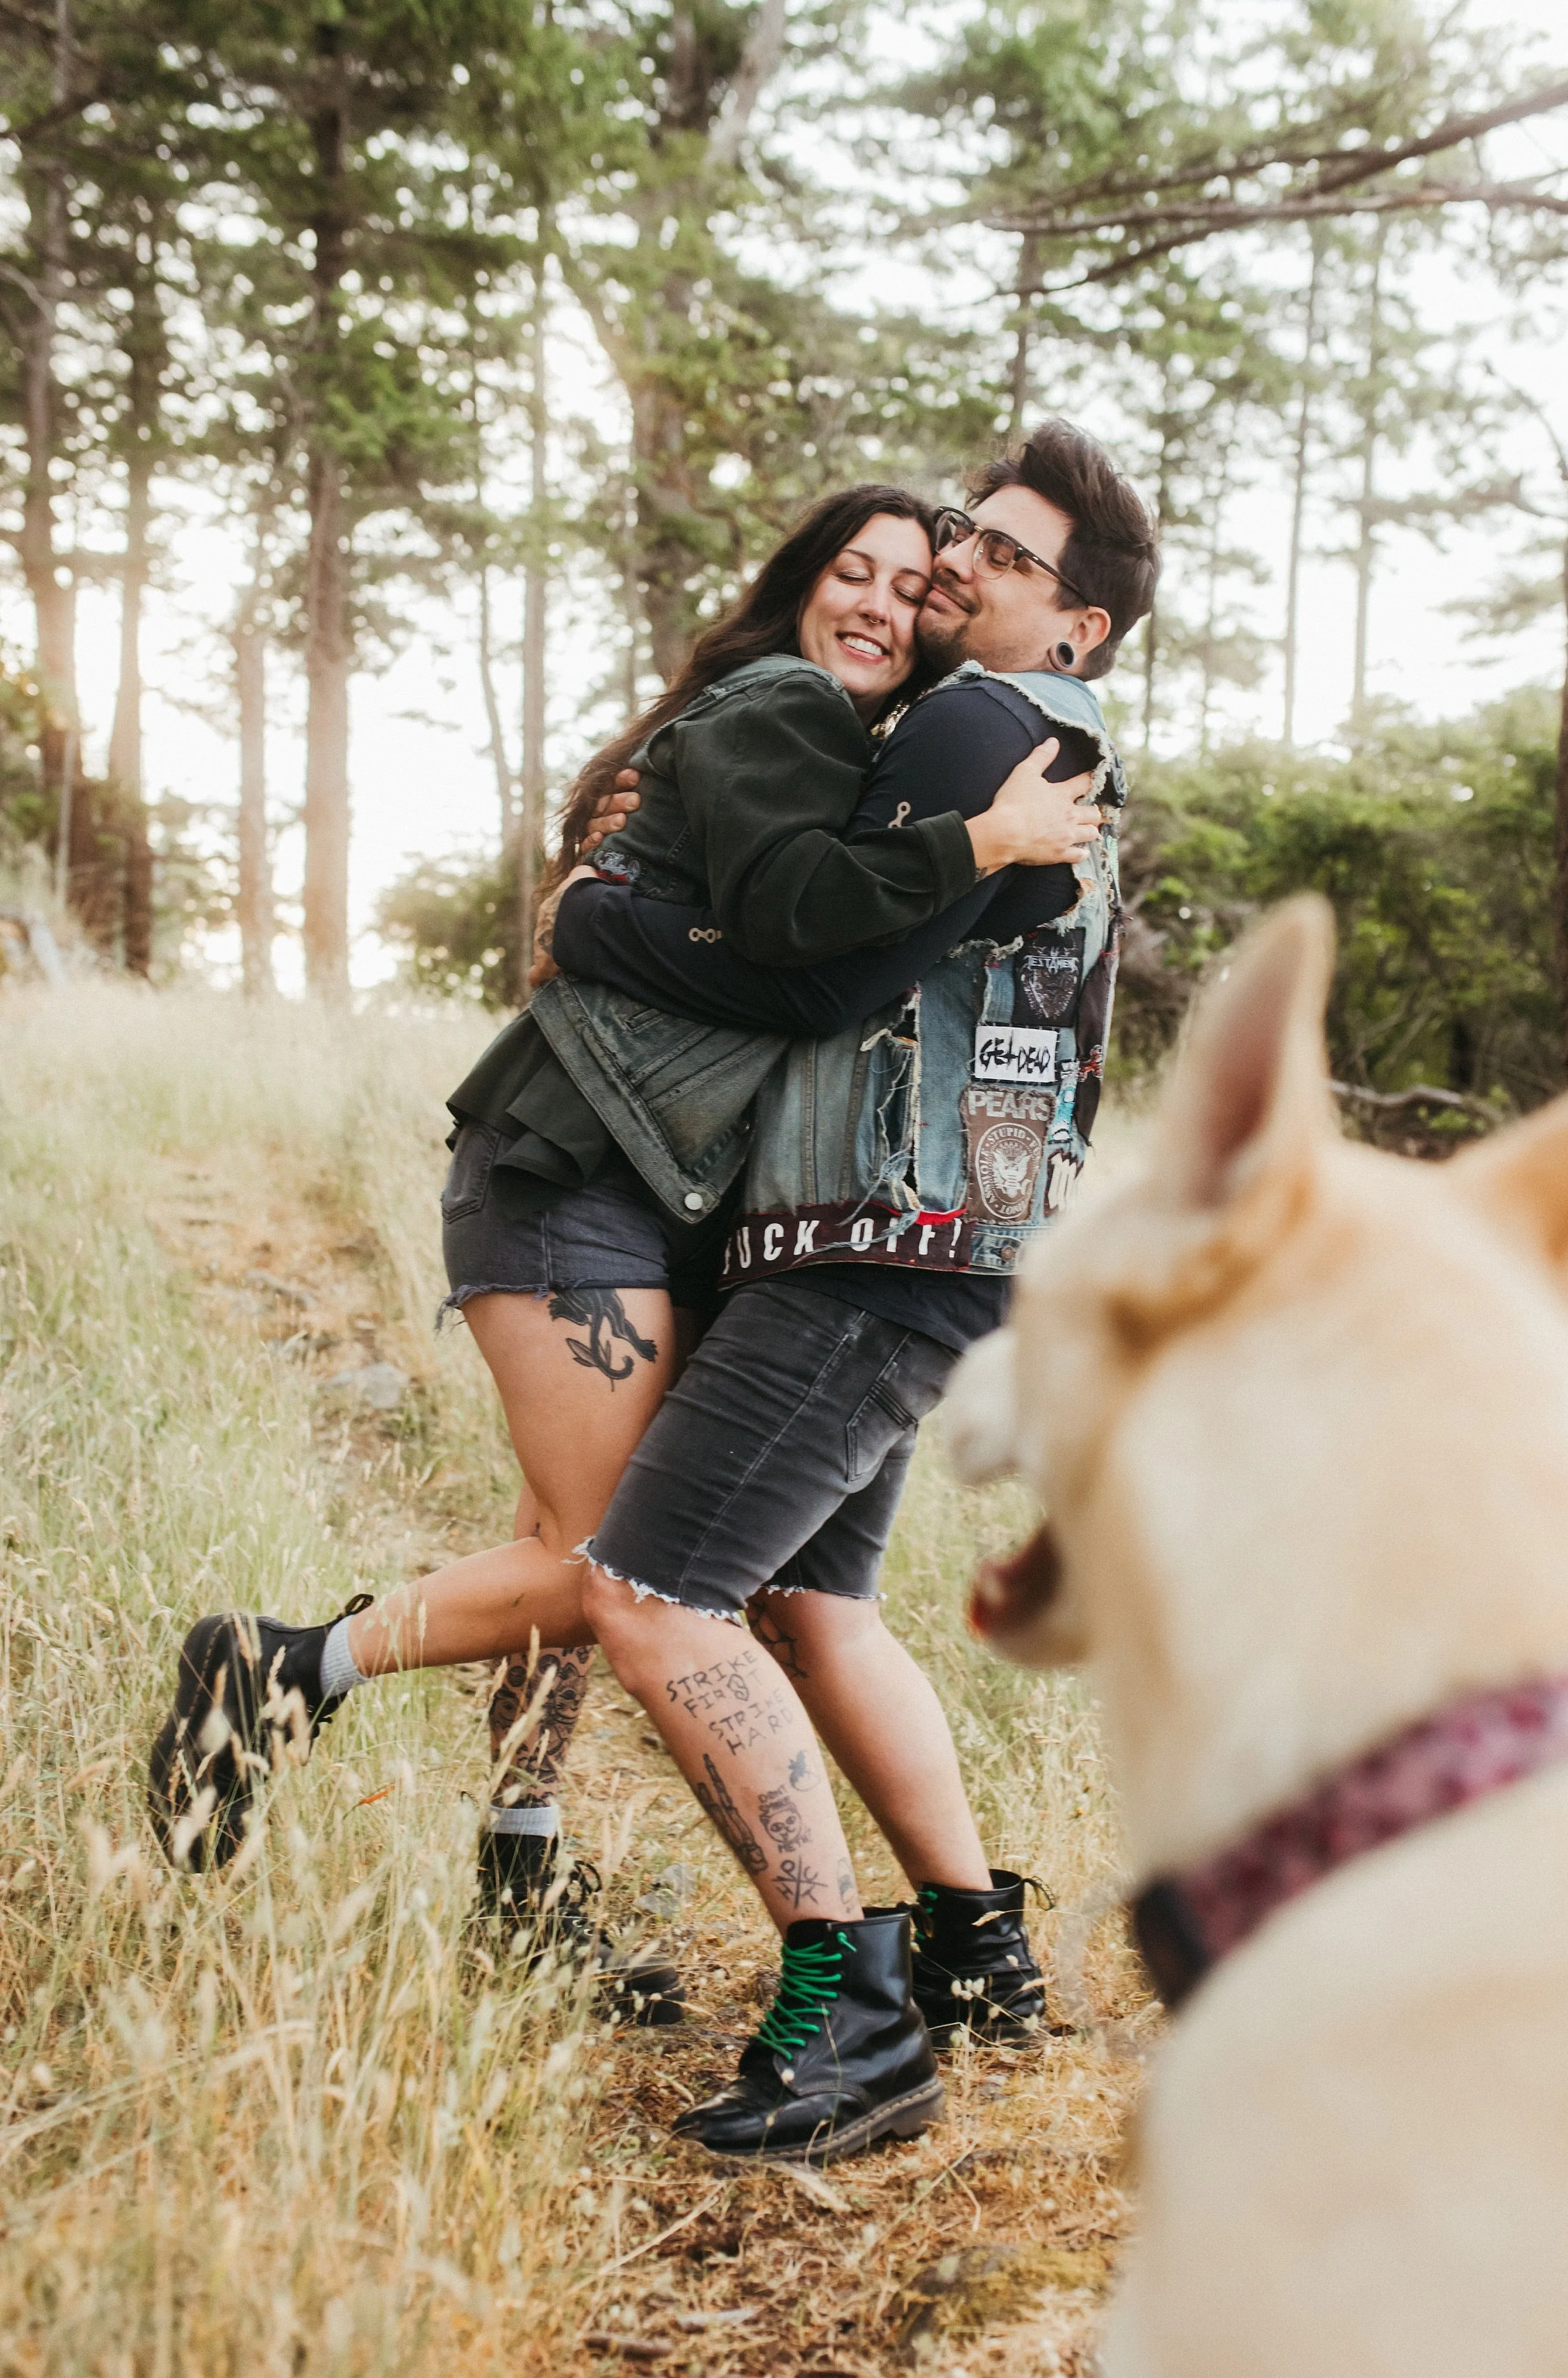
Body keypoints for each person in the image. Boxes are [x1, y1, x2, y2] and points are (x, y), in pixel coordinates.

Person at [145, 483, 1097, 2027]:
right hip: (572, 1163)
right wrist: (979, 842)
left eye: (911, 581)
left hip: (657, 1194)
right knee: (609, 1567)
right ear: (796, 588)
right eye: (846, 570)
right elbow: (788, 959)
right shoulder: (775, 710)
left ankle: (520, 1871)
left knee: (576, 1540)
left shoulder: (865, 759)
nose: (878, 597)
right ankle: (285, 1665)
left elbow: (746, 937)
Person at [534, 416, 1160, 2158]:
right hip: (944, 1240)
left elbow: (797, 947)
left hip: (875, 1247)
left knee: (650, 1596)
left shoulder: (977, 722)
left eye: (1001, 555)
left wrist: (594, 932)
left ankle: (849, 2013)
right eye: (965, 530)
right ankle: (971, 1947)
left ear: (1075, 623)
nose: (954, 563)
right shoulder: (1044, 738)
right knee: (812, 1608)